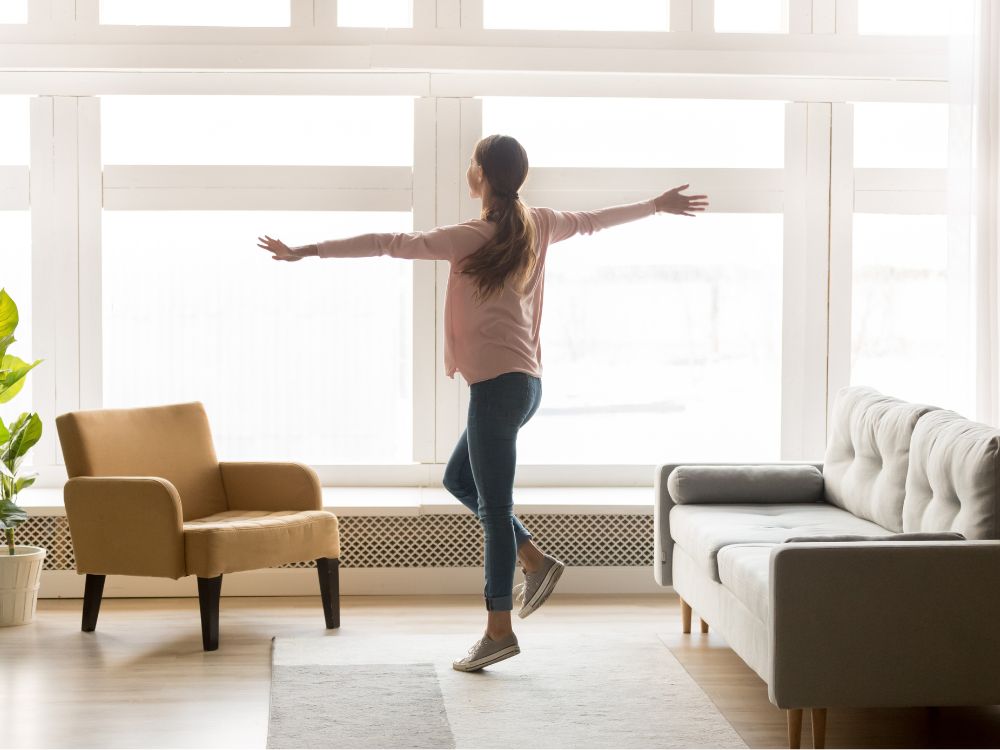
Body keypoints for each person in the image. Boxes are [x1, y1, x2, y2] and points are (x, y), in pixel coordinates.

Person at [257, 134, 709, 672]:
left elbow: (388, 241)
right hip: (522, 386)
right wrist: (655, 206)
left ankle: (499, 630)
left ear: (480, 175)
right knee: (459, 480)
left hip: (497, 390)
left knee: (494, 510)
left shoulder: (473, 236)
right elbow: (593, 220)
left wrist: (306, 251)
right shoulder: (538, 223)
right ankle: (534, 560)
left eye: (471, 163)